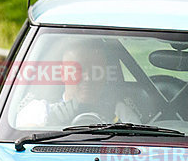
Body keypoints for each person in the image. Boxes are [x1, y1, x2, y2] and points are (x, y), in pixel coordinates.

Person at [13, 36, 145, 129]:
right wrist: (50, 122)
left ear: (105, 75)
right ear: (62, 73)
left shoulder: (120, 113)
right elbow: (23, 141)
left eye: (95, 70)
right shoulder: (40, 110)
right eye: (78, 70)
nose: (87, 78)